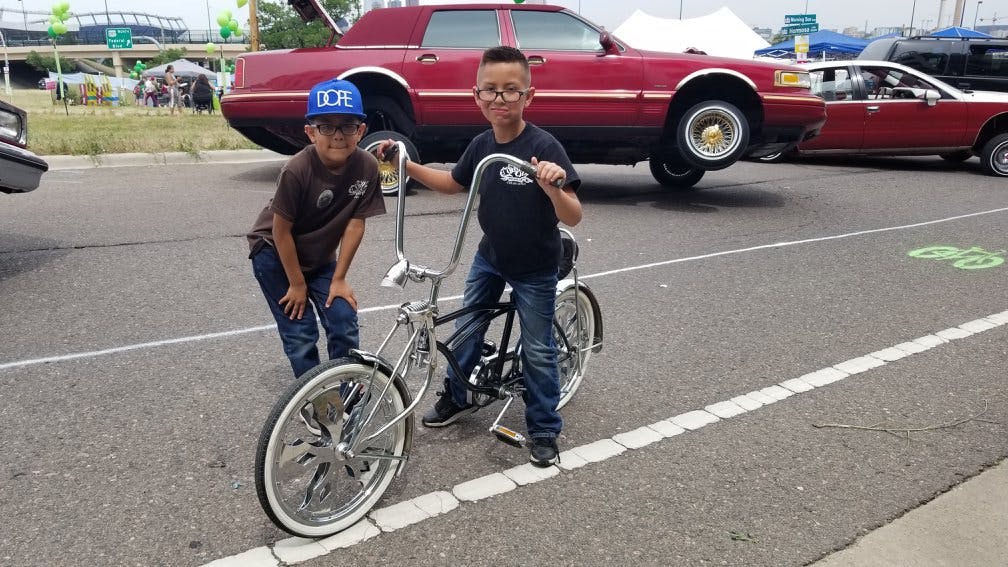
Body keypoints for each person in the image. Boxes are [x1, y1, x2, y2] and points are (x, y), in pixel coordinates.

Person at [376, 46, 582, 467]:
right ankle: (457, 394)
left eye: (511, 90)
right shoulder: (482, 144)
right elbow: (453, 183)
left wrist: (553, 186)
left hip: (535, 266)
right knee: (469, 325)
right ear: (477, 96)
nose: (500, 99)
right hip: (491, 256)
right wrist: (407, 165)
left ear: (529, 96)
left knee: (538, 350)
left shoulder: (543, 146)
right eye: (490, 90)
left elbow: (573, 215)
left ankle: (543, 427)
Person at [247, 78, 385, 378]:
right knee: (300, 331)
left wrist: (340, 278)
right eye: (326, 126)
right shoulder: (297, 169)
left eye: (348, 126)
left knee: (343, 318)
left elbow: (355, 223)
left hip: (319, 256)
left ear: (360, 131)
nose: (338, 136)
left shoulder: (367, 166)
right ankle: (317, 401)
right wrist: (297, 285)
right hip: (274, 254)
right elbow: (280, 232)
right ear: (310, 132)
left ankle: (346, 387)